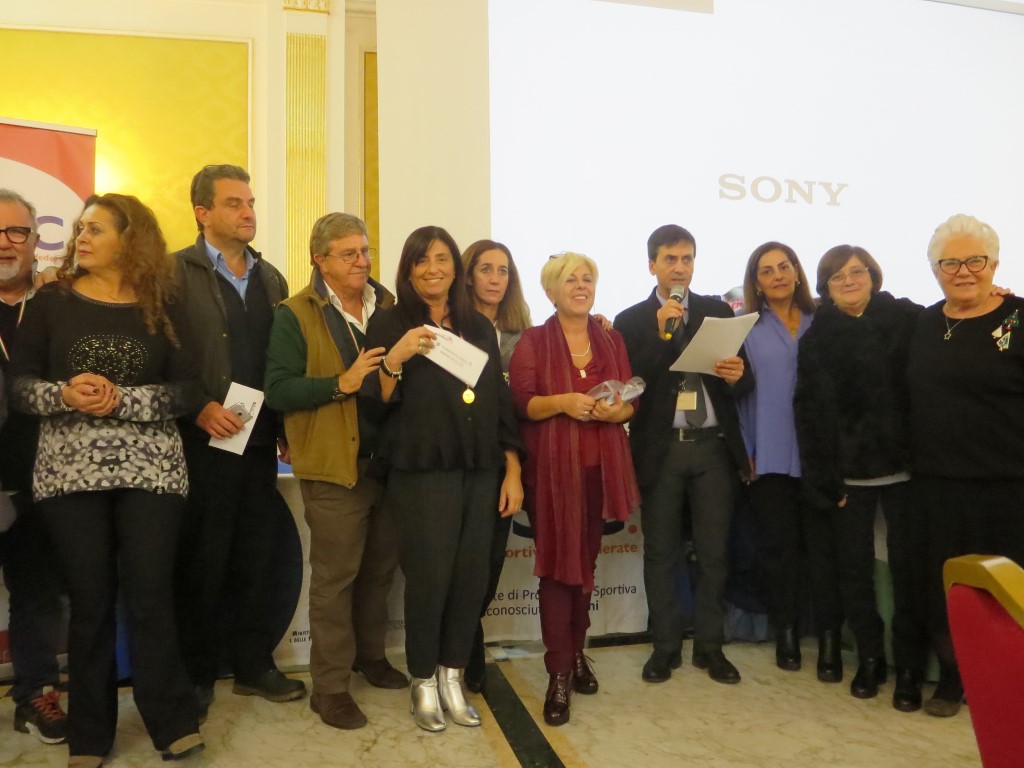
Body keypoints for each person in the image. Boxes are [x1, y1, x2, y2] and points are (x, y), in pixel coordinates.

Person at [8, 193, 204, 765]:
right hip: (70, 472)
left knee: (151, 596)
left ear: (130, 238)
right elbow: (19, 386)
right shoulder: (52, 302)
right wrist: (65, 394)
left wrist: (123, 400)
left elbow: (190, 389)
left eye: (95, 229)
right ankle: (90, 736)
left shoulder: (165, 304)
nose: (81, 238)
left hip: (152, 470)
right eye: (80, 229)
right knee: (90, 601)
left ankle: (172, 722)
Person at [361, 225, 522, 733]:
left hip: (480, 467)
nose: (433, 268)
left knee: (470, 577)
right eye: (422, 260)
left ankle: (453, 676)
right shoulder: (390, 322)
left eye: (442, 259)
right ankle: (424, 680)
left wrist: (512, 468)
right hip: (422, 470)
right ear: (408, 269)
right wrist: (397, 356)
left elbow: (497, 403)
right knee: (430, 579)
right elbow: (374, 402)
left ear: (456, 268)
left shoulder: (477, 326)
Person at [263, 212, 406, 730]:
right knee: (336, 581)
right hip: (333, 466)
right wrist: (340, 383)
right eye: (349, 254)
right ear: (319, 260)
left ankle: (371, 657)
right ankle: (329, 689)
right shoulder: (294, 313)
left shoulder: (388, 305)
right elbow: (278, 389)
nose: (362, 262)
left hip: (388, 464)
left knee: (379, 573)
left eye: (365, 251)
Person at [172, 165, 304, 720]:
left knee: (257, 555)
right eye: (234, 203)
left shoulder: (271, 278)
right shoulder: (173, 273)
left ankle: (253, 666)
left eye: (250, 202)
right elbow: (160, 352)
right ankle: (197, 674)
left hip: (257, 440)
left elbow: (282, 361)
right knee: (204, 559)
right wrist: (198, 405)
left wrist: (286, 428)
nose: (248, 212)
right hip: (201, 440)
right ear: (202, 212)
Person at [794, 245, 930, 710]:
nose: (849, 281)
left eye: (857, 272)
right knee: (854, 574)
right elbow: (808, 414)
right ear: (826, 288)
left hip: (907, 472)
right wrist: (823, 480)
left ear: (873, 275)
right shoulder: (817, 338)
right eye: (838, 277)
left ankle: (909, 667)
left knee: (910, 574)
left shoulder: (907, 319)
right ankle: (870, 659)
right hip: (847, 477)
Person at [614, 224, 751, 686]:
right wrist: (660, 336)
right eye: (670, 259)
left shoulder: (717, 311)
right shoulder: (632, 320)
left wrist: (736, 374)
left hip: (713, 448)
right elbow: (632, 385)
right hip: (662, 449)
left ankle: (711, 647)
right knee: (661, 553)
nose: (679, 268)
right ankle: (665, 647)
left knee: (714, 553)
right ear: (651, 265)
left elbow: (745, 382)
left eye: (687, 259)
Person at [509, 252, 639, 726]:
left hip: (599, 472)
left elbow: (629, 403)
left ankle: (577, 652)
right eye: (570, 280)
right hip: (551, 476)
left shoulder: (611, 338)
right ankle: (559, 673)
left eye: (588, 279)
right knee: (557, 572)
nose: (581, 286)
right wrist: (563, 402)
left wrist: (617, 412)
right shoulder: (533, 340)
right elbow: (522, 404)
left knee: (585, 567)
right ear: (551, 291)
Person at [907, 214, 1024, 717]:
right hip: (937, 485)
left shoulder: (1018, 318)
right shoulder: (923, 323)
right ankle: (954, 679)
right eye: (950, 263)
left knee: (1008, 591)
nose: (963, 271)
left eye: (975, 260)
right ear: (934, 270)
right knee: (948, 591)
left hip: (1009, 486)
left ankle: (1009, 684)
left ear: (994, 264)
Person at [736, 242, 843, 675]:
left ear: (797, 272)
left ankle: (831, 638)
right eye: (767, 270)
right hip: (770, 455)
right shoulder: (745, 328)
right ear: (756, 282)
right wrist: (747, 452)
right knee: (780, 552)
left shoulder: (826, 321)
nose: (778, 275)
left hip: (820, 457)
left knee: (824, 551)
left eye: (784, 266)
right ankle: (786, 631)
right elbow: (740, 399)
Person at [0, 189, 68, 745]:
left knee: (38, 590)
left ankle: (36, 692)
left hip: (42, 475)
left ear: (35, 239)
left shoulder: (57, 304)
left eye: (17, 231)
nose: (5, 242)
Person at [460, 238, 532, 693]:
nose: (495, 278)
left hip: (509, 460)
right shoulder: (454, 328)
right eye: (486, 269)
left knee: (488, 567)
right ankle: (465, 650)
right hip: (462, 462)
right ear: (468, 276)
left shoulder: (525, 335)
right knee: (461, 568)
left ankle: (467, 639)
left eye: (503, 270)